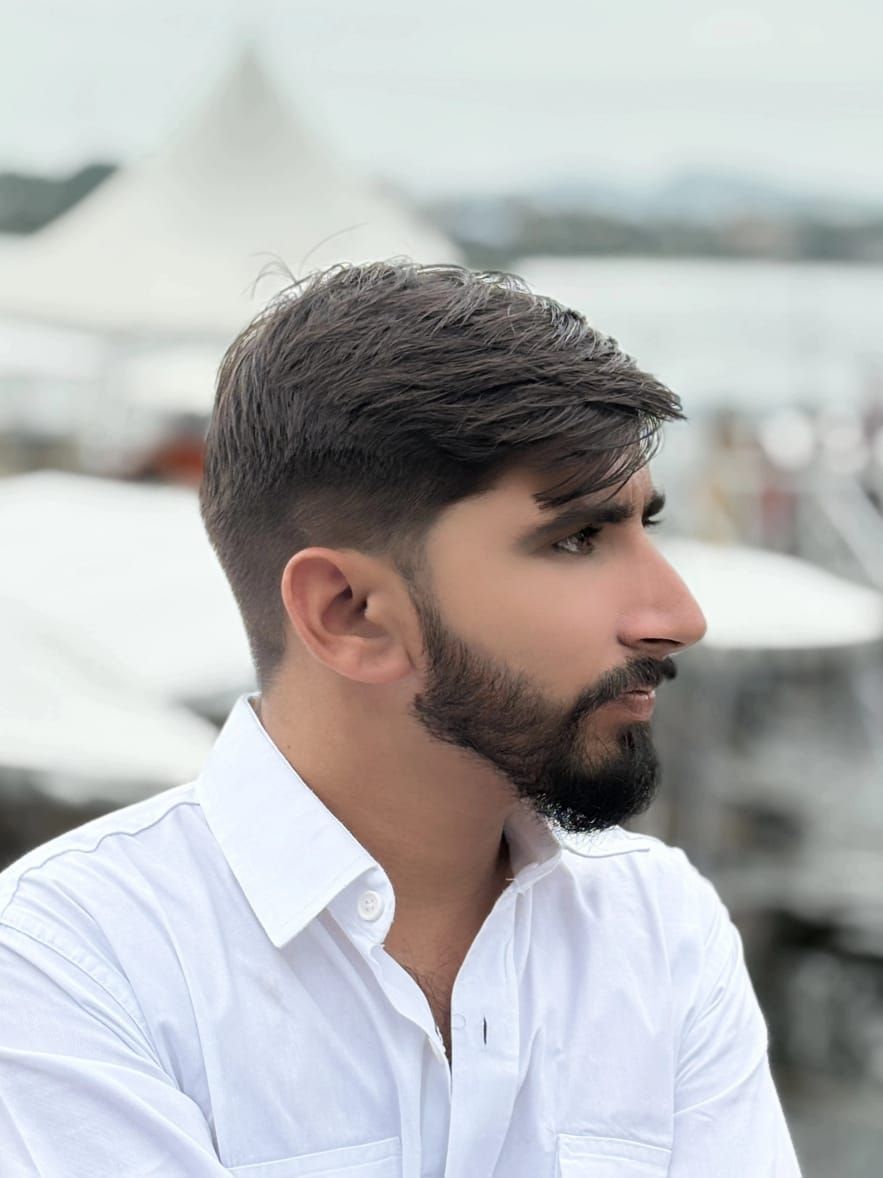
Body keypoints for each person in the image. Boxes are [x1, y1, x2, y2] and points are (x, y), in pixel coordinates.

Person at [0, 262, 802, 1176]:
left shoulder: (658, 926)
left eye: (641, 528)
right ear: (349, 612)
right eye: (575, 538)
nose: (678, 615)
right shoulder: (70, 961)